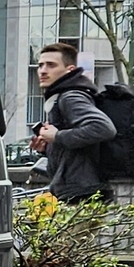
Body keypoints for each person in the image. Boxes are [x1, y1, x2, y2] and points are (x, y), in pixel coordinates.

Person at [32, 40, 116, 203]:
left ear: (69, 70)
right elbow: (76, 149)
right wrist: (48, 147)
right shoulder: (61, 97)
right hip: (79, 191)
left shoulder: (71, 97)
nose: (43, 71)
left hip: (82, 194)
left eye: (51, 65)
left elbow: (104, 128)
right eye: (40, 65)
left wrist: (57, 137)